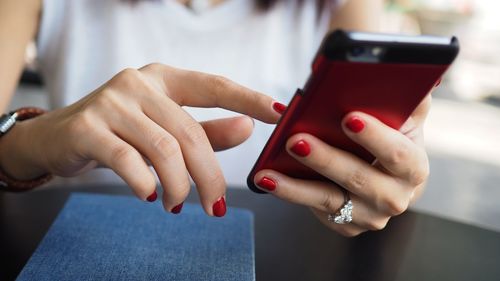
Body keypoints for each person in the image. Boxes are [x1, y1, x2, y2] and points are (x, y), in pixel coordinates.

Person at [0, 0, 430, 236]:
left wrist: (389, 175)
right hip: (71, 241)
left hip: (280, 253)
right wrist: (37, 140)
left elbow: (390, 178)